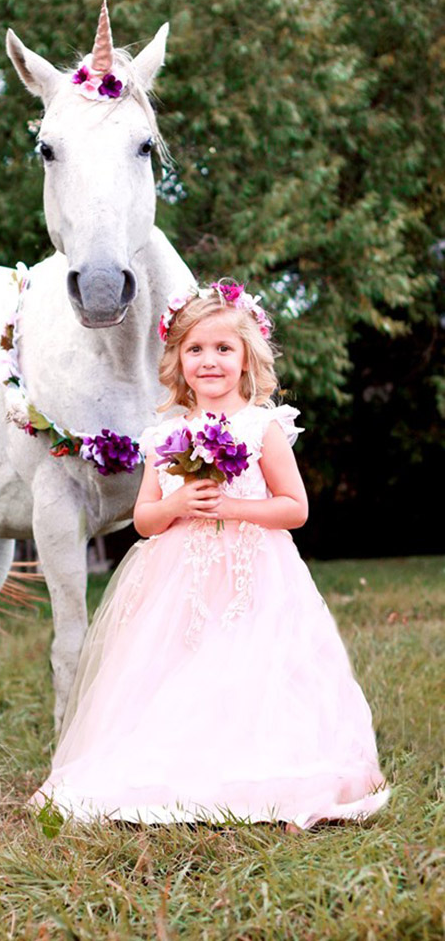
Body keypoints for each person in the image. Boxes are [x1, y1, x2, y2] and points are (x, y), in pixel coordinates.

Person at [31, 281, 390, 829]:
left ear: (247, 357)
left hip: (255, 574)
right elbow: (147, 521)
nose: (209, 361)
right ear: (177, 359)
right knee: (178, 668)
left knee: (251, 665)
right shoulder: (165, 434)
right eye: (195, 349)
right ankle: (175, 766)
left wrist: (232, 508)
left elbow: (294, 508)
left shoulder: (263, 427)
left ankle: (261, 769)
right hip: (180, 580)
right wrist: (178, 500)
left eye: (224, 349)